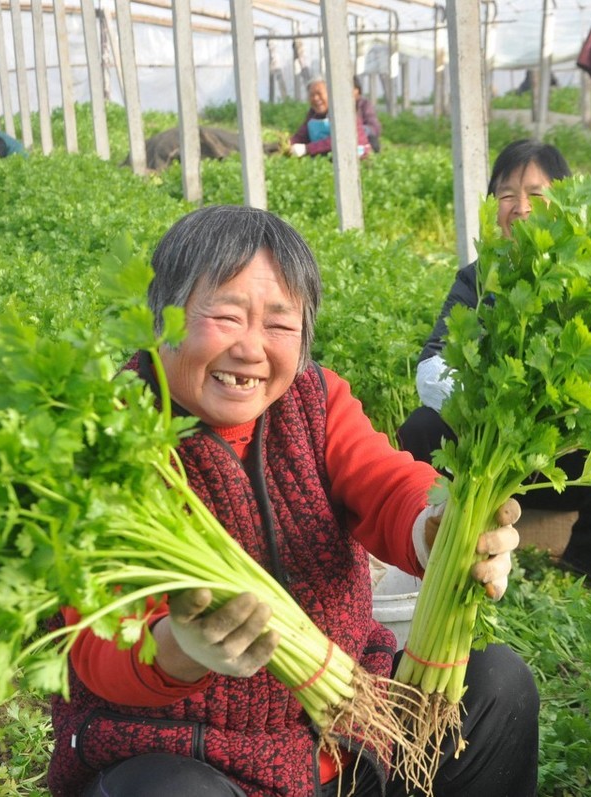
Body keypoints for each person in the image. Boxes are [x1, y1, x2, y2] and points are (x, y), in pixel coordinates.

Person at [47, 205, 539, 797]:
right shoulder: (104, 440)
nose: (252, 348)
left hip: (351, 733)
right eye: (225, 316)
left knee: (497, 683)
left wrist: (438, 529)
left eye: (279, 325)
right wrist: (181, 648)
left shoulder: (314, 402)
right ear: (160, 320)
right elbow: (97, 647)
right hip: (195, 754)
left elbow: (387, 485)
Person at [397, 139, 591, 587]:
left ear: (565, 204)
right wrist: (503, 401)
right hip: (495, 458)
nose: (520, 208)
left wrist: (565, 409)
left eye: (536, 194)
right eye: (506, 195)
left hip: (570, 459)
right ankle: (449, 544)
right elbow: (432, 364)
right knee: (422, 428)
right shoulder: (478, 278)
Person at [289, 77, 371, 159]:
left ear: (331, 94)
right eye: (312, 95)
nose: (315, 98)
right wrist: (285, 145)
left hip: (353, 160)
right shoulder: (313, 113)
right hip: (326, 158)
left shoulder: (344, 112)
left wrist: (307, 149)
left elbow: (340, 140)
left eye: (319, 94)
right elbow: (301, 136)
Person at [353, 76, 382, 153]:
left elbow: (375, 128)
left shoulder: (364, 104)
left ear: (357, 90)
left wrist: (359, 130)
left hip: (364, 142)